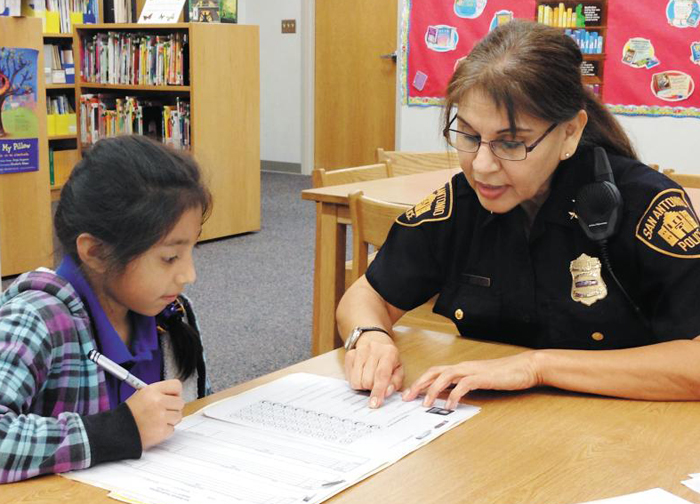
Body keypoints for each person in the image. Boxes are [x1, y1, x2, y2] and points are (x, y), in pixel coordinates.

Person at [337, 20, 700, 410]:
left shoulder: (646, 207)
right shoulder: (460, 203)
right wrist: (369, 336)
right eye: (469, 135)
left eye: (511, 143)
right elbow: (369, 292)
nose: (481, 166)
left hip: (626, 435)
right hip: (494, 433)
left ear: (570, 133)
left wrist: (537, 367)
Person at [0, 135, 213, 483]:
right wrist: (117, 431)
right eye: (170, 257)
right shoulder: (36, 318)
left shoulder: (167, 313)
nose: (189, 274)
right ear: (96, 252)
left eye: (192, 250)